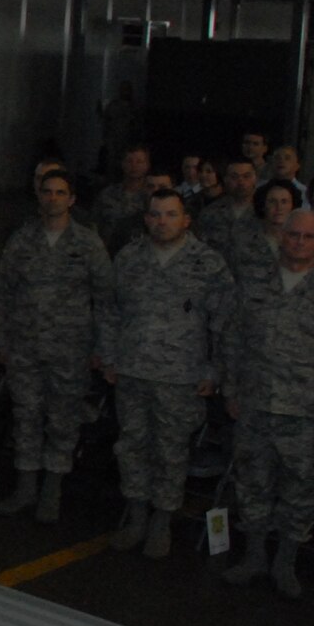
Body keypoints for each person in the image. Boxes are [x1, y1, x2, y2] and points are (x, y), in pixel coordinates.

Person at [219, 210, 314, 598]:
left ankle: (286, 562)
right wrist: (230, 389)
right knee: (252, 482)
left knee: (300, 490)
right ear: (281, 237)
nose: (299, 242)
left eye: (307, 237)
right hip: (254, 402)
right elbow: (233, 339)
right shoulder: (253, 283)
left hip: (308, 411)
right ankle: (254, 557)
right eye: (293, 235)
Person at [97, 191, 236, 559]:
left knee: (171, 453)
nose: (162, 221)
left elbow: (225, 324)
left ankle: (162, 523)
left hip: (181, 377)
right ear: (146, 219)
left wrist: (215, 369)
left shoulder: (208, 263)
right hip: (132, 370)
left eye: (171, 214)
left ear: (185, 220)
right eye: (155, 214)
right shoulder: (128, 259)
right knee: (132, 448)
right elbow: (110, 312)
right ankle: (137, 518)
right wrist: (109, 357)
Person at [0, 169, 113, 523]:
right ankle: (25, 488)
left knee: (62, 422)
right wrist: (2, 340)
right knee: (26, 418)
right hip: (25, 349)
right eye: (48, 192)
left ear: (72, 199)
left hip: (70, 352)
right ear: (39, 196)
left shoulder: (88, 244)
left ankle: (51, 491)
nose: (53, 198)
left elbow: (106, 301)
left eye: (61, 193)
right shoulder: (21, 240)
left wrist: (102, 349)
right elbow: (3, 294)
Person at [195, 158, 260, 269]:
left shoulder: (266, 213)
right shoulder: (210, 213)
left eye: (246, 176)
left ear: (255, 179)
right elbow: (199, 251)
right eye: (234, 177)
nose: (241, 182)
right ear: (225, 179)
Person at [91, 143, 153, 241]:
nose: (134, 166)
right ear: (122, 164)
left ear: (147, 165)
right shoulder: (107, 194)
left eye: (139, 162)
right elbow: (94, 224)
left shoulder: (152, 196)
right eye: (129, 161)